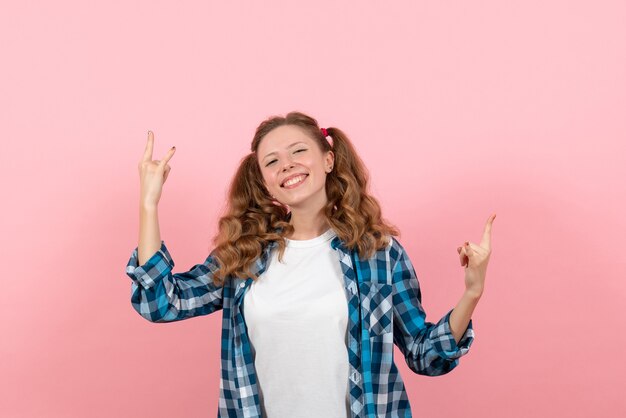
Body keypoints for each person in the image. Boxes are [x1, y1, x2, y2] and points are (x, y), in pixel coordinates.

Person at [125, 111, 496, 418]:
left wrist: (472, 293)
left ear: (328, 160)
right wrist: (148, 205)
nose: (286, 165)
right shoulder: (245, 254)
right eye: (272, 161)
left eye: (298, 151)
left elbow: (424, 354)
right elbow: (161, 302)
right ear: (267, 183)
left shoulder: (378, 254)